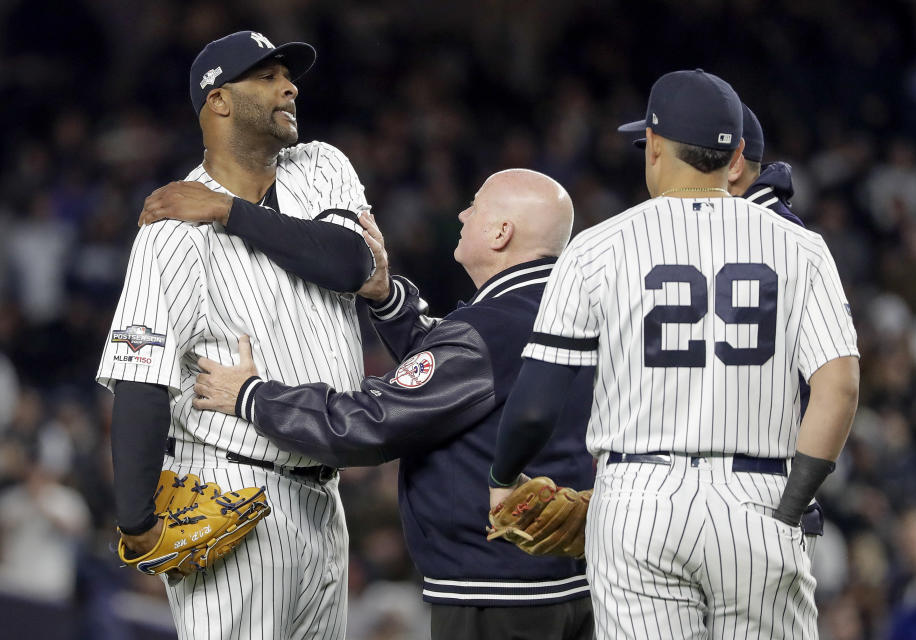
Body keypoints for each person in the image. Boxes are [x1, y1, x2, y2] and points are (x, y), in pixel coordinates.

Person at [488, 69, 860, 639]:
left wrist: (504, 477)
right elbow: (839, 386)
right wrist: (790, 507)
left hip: (639, 499)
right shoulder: (800, 245)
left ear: (655, 146)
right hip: (757, 496)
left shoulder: (596, 247)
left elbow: (537, 404)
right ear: (736, 155)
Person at [163, 169, 596, 640]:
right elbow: (460, 376)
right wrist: (388, 298)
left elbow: (367, 426)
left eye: (475, 205)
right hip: (572, 586)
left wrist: (251, 395)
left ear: (500, 233)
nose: (462, 213)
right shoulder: (571, 311)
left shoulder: (489, 330)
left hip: (497, 594)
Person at [96, 31, 377, 640]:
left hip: (327, 501)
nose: (290, 86)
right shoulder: (170, 231)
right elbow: (141, 378)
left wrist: (228, 211)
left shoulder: (320, 164)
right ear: (219, 100)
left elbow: (349, 263)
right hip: (233, 490)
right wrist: (137, 521)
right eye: (269, 76)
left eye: (288, 74)